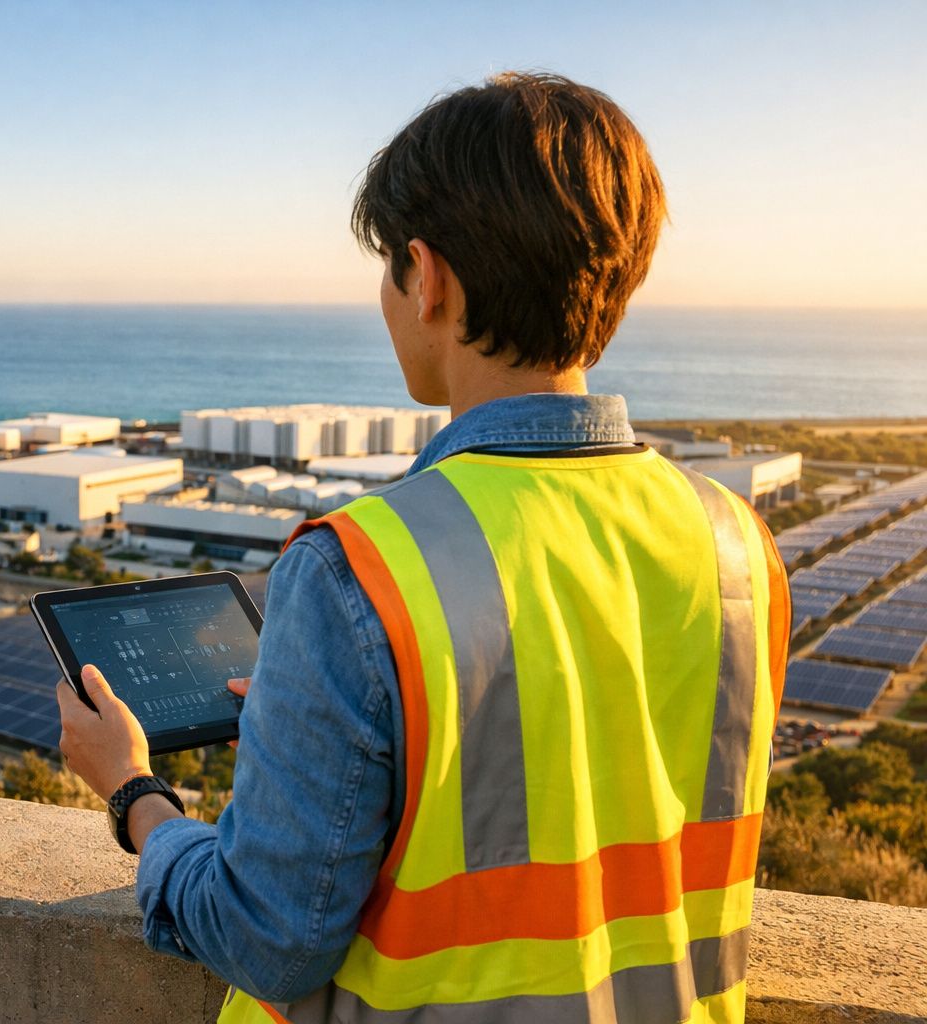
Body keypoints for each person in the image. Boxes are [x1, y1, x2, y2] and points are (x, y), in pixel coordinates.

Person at [57, 71, 789, 1023]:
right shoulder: (739, 545)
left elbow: (264, 934)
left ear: (426, 274)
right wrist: (332, 716)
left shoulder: (358, 570)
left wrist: (132, 792)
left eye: (386, 270)